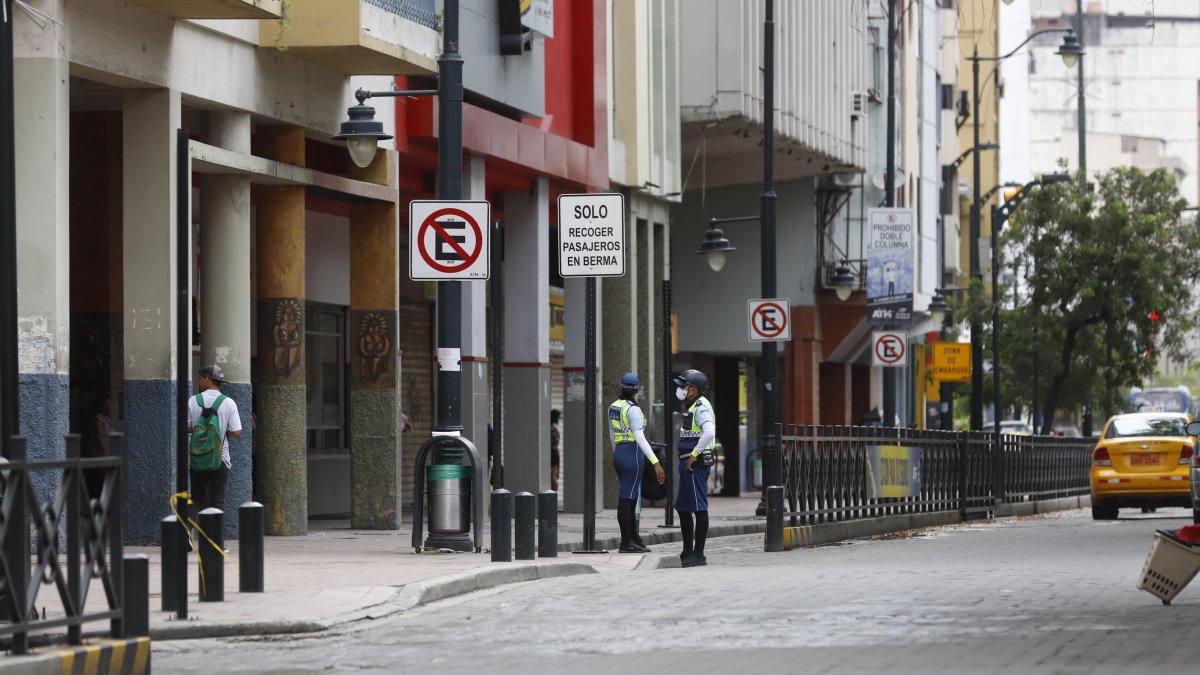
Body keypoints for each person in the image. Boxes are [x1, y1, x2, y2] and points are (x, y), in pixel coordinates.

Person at [186, 364, 242, 546]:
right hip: (220, 458)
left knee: (196, 497)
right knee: (218, 502)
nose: (199, 382)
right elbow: (236, 432)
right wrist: (220, 429)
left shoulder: (193, 401)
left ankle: (185, 533)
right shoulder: (228, 402)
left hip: (198, 458)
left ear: (207, 379)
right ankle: (217, 542)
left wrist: (199, 428)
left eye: (200, 378)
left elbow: (187, 427)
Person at [608, 373, 665, 553]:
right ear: (637, 390)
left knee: (630, 498)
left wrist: (615, 459)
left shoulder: (613, 407)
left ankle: (634, 538)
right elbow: (640, 438)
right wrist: (655, 462)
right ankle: (626, 542)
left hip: (620, 453)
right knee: (627, 499)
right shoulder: (633, 410)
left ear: (621, 387)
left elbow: (612, 435)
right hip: (632, 454)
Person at [674, 368, 715, 567]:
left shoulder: (701, 407)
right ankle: (687, 551)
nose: (680, 389)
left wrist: (694, 455)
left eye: (684, 386)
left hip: (695, 464)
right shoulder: (691, 406)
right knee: (683, 508)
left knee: (699, 507)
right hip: (687, 463)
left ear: (694, 389)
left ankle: (698, 554)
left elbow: (709, 432)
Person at [81, 393, 114, 507]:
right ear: (100, 406)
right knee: (99, 483)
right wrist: (105, 455)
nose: (108, 408)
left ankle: (103, 506)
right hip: (97, 455)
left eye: (110, 405)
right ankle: (97, 507)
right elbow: (100, 438)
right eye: (106, 405)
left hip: (106, 454)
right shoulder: (98, 419)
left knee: (105, 482)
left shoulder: (108, 419)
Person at [549, 408, 562, 492]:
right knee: (553, 477)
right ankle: (554, 493)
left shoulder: (552, 430)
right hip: (554, 454)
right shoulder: (554, 430)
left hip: (552, 454)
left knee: (552, 477)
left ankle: (553, 494)